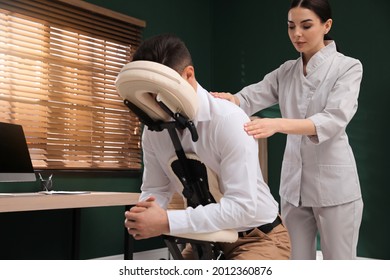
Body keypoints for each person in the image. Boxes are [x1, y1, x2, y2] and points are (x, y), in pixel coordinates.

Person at [212, 0, 363, 260]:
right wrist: (231, 99)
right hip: (294, 188)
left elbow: (333, 119)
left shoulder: (348, 67)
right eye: (291, 26)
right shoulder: (286, 71)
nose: (297, 34)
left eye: (306, 26)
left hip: (335, 186)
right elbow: (250, 97)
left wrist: (277, 124)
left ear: (326, 25)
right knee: (295, 266)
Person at [123, 33, 291, 260]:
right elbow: (156, 188)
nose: (153, 101)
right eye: (148, 94)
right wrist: (145, 212)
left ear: (188, 74)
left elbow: (242, 207)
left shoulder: (228, 119)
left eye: (158, 92)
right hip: (207, 236)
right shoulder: (154, 131)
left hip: (258, 237)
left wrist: (167, 221)